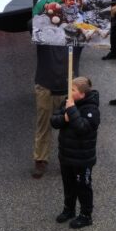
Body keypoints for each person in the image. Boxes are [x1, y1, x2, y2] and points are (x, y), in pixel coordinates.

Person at [50, 77, 100, 229]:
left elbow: (83, 128)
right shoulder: (68, 101)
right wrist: (64, 118)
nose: (69, 93)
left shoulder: (92, 110)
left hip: (82, 158)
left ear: (82, 94)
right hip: (66, 154)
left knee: (83, 186)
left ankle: (86, 215)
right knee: (68, 184)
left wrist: (71, 111)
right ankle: (69, 209)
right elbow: (54, 120)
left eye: (73, 90)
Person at [32, 44, 81, 179]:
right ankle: (40, 159)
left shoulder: (75, 35)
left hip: (68, 88)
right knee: (44, 125)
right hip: (45, 86)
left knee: (69, 127)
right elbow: (31, 24)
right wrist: (51, 22)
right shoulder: (44, 34)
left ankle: (68, 160)